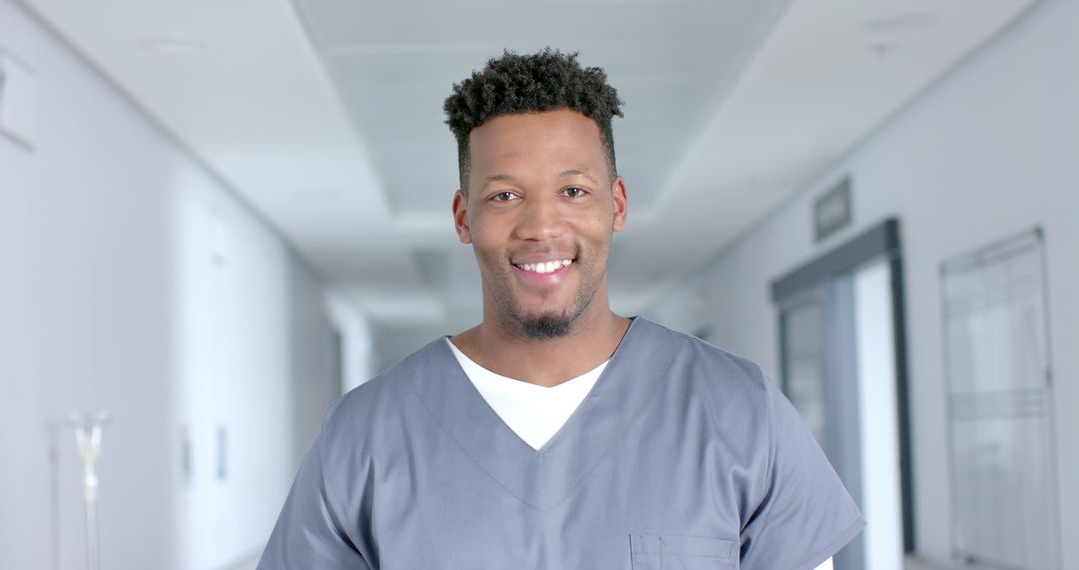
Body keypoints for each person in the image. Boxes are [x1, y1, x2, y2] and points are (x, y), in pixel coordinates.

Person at [259, 49, 863, 570]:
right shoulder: (365, 437)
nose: (542, 225)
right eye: (505, 195)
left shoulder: (741, 414)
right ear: (464, 217)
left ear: (617, 204)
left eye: (573, 191)